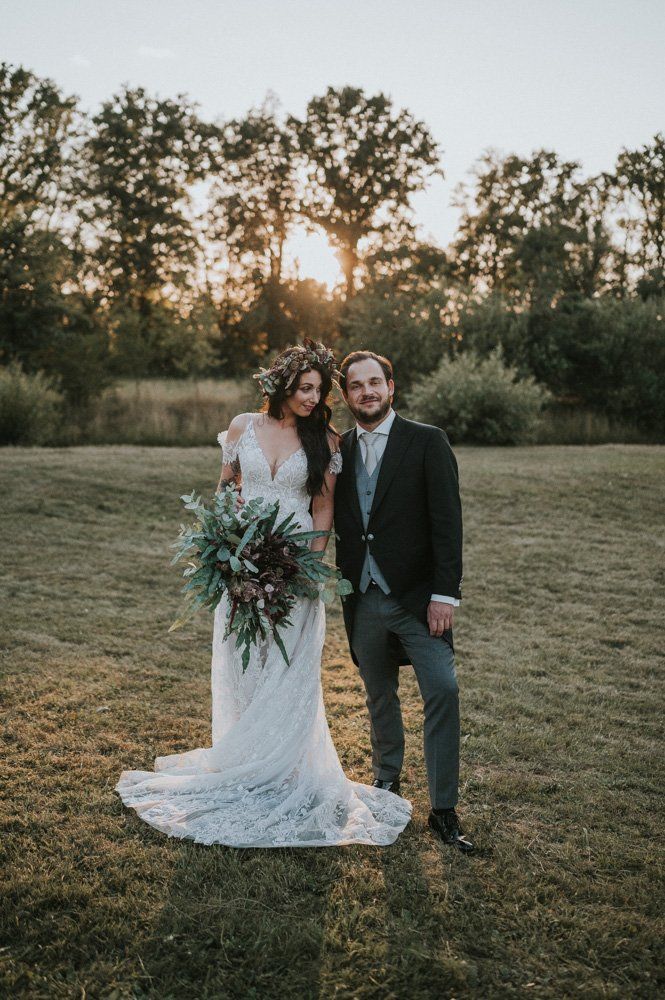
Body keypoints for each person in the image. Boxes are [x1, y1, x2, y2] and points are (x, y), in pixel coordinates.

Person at [115, 341, 411, 847]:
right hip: (240, 562)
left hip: (294, 567)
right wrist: (225, 546)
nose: (312, 399)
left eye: (319, 390)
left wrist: (310, 565)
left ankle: (289, 770)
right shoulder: (241, 427)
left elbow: (321, 510)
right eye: (304, 388)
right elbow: (226, 490)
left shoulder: (327, 441)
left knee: (287, 668)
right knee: (244, 662)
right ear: (280, 384)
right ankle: (246, 759)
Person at [334, 350, 475, 852]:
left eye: (376, 382)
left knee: (443, 689)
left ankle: (443, 809)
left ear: (391, 387)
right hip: (364, 597)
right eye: (356, 385)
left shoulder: (426, 441)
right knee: (378, 694)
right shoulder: (339, 448)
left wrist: (444, 595)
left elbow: (447, 524)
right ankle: (387, 782)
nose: (367, 392)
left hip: (418, 599)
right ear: (346, 394)